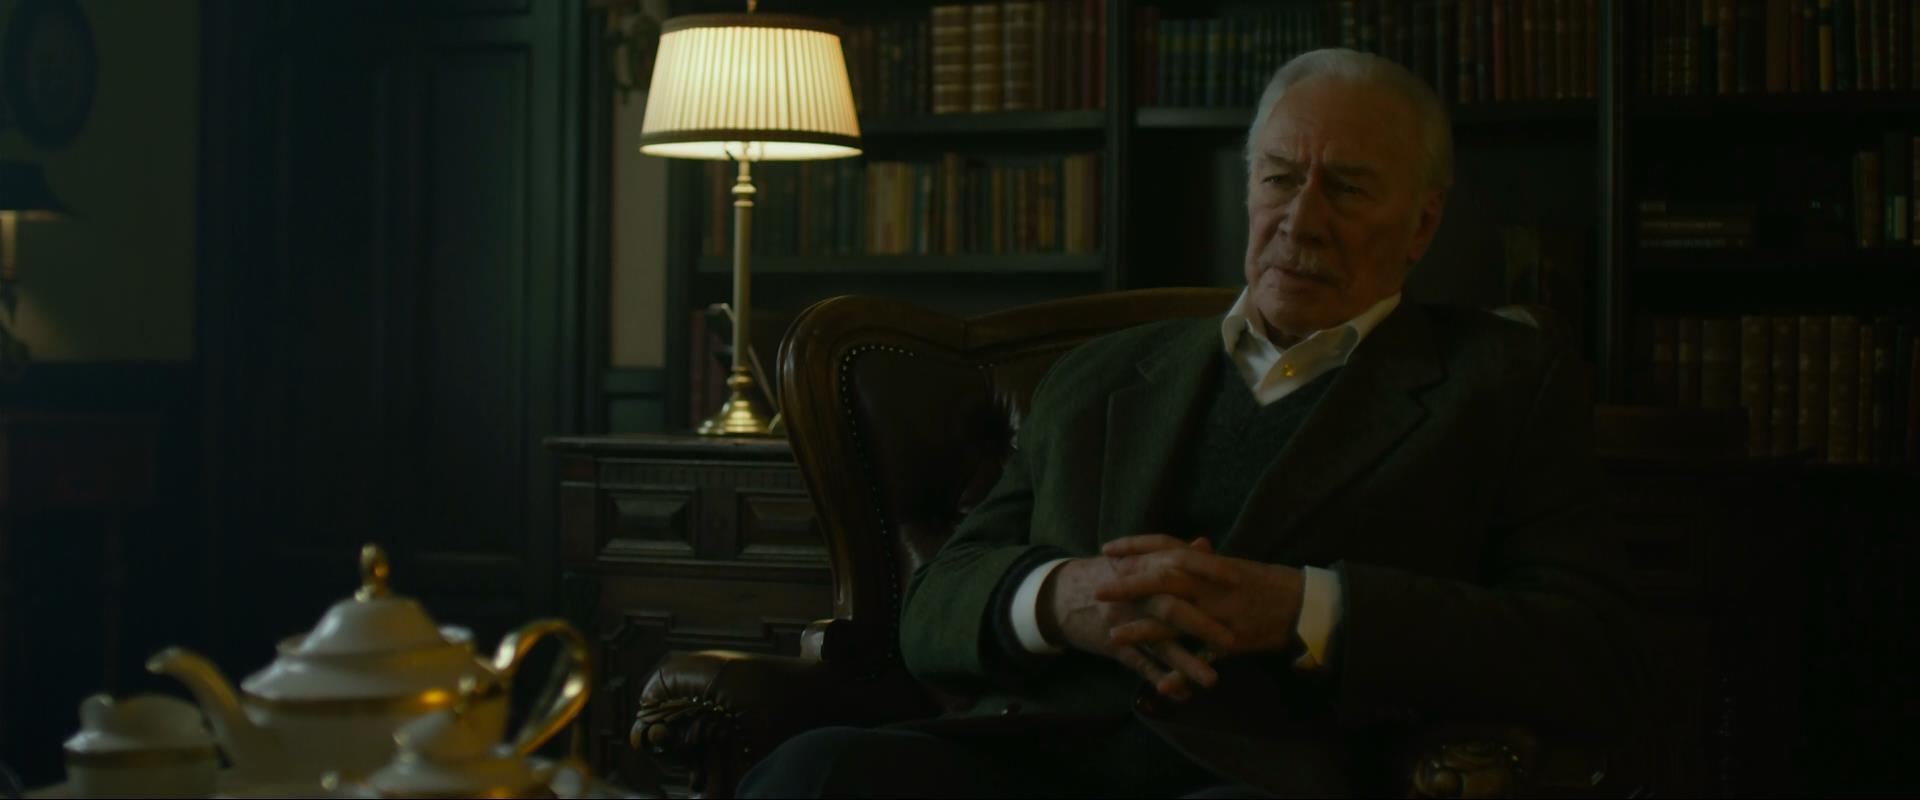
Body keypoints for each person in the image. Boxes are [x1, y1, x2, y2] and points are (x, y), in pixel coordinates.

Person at [738, 47, 1643, 799]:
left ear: (1422, 224)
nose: (1302, 219)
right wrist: (1061, 600)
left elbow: (1587, 651)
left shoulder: (1505, 383)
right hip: (1039, 756)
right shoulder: (1098, 377)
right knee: (817, 771)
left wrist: (1308, 609)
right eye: (1280, 178)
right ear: (1250, 189)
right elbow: (935, 602)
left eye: (1350, 189)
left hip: (1282, 772)